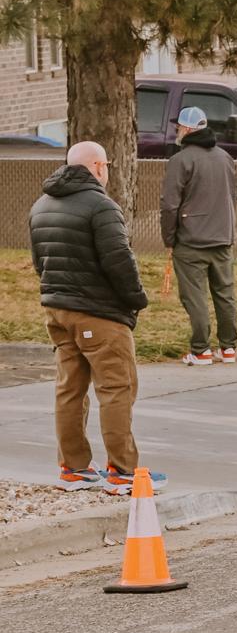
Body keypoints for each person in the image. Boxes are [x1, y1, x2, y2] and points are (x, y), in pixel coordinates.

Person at [29, 140, 165, 496]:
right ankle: (123, 471)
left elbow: (39, 262)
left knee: (69, 389)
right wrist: (136, 299)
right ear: (99, 167)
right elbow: (119, 260)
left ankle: (73, 468)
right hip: (99, 313)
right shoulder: (101, 206)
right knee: (117, 388)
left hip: (57, 310)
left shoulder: (41, 205)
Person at [160, 105, 237, 365]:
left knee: (194, 296)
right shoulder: (225, 157)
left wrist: (169, 239)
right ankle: (228, 348)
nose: (176, 131)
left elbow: (170, 205)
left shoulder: (180, 160)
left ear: (186, 129)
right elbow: (234, 195)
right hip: (222, 237)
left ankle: (200, 350)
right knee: (225, 294)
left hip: (191, 240)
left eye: (178, 127)